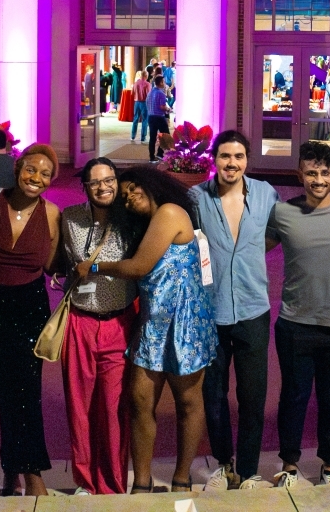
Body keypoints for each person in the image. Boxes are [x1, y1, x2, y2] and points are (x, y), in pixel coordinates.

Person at [75, 166, 217, 494]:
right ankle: (141, 481)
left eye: (134, 188)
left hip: (186, 325)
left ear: (151, 184)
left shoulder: (169, 212)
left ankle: (182, 478)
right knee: (139, 403)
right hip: (153, 325)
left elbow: (139, 267)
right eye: (124, 196)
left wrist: (95, 267)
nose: (130, 196)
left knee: (188, 403)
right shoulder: (147, 224)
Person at [0, 143, 62, 497]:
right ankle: (24, 471)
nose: (37, 178)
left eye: (45, 173)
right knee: (13, 389)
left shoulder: (51, 215)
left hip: (27, 309)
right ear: (18, 170)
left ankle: (21, 472)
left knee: (23, 391)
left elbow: (53, 265)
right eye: (31, 169)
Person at [267, 141, 330, 489]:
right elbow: (252, 247)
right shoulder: (282, 213)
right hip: (296, 324)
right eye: (311, 173)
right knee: (293, 397)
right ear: (300, 174)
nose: (318, 179)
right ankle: (289, 466)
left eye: (325, 173)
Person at [191, 130, 279, 490]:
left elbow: (278, 231)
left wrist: (250, 256)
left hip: (253, 307)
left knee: (253, 394)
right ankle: (224, 463)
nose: (232, 163)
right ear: (215, 160)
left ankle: (248, 469)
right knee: (213, 393)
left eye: (239, 156)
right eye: (225, 156)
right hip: (211, 310)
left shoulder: (264, 193)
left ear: (247, 160)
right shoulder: (196, 197)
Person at [61, 157, 142, 495]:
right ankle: (84, 481)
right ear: (85, 187)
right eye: (95, 182)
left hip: (117, 321)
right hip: (79, 321)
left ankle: (111, 483)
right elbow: (62, 262)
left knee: (112, 409)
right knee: (79, 408)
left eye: (109, 179)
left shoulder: (132, 221)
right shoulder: (70, 219)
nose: (103, 187)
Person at [145, 75, 170, 163]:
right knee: (166, 135)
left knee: (152, 137)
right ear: (160, 83)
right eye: (163, 81)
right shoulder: (161, 94)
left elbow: (147, 104)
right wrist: (168, 109)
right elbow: (162, 106)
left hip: (151, 117)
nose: (164, 83)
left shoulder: (150, 93)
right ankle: (160, 153)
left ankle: (152, 156)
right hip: (159, 117)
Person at [130, 70, 151, 145]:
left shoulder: (135, 83)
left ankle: (132, 136)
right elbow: (149, 95)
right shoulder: (147, 84)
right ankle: (143, 137)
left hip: (136, 102)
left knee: (135, 118)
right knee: (145, 119)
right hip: (144, 103)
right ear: (146, 76)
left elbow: (132, 93)